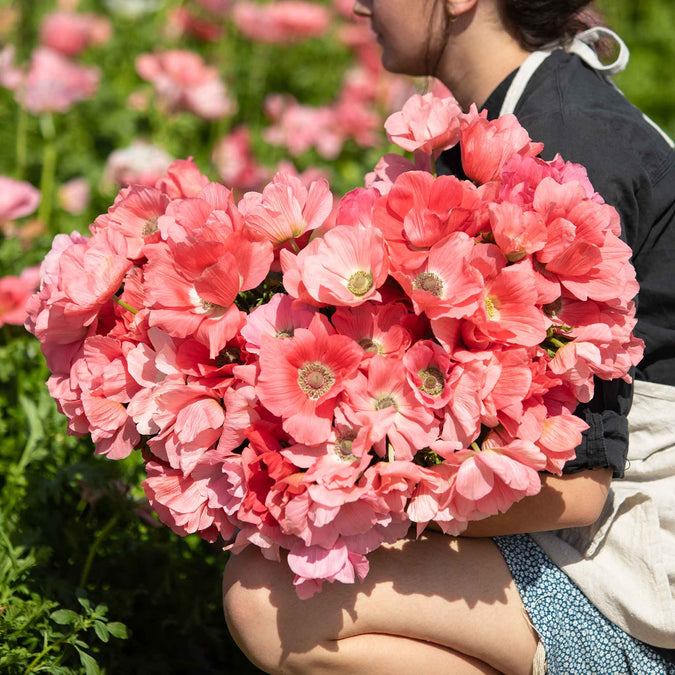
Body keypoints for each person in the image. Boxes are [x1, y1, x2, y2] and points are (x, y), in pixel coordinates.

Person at [222, 1, 675, 672]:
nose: (356, 4)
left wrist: (339, 502)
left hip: (632, 554)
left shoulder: (562, 146)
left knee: (270, 598)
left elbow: (578, 488)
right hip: (582, 529)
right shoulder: (527, 119)